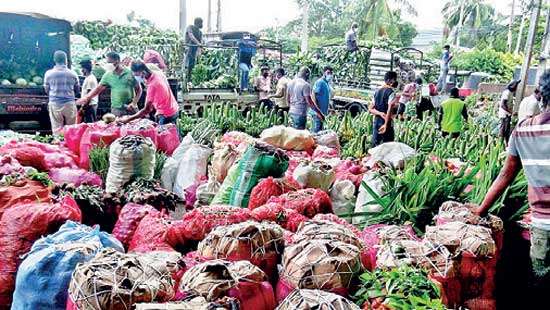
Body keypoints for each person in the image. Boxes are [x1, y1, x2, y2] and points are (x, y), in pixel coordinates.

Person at [475, 70, 550, 301]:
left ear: (539, 95)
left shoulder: (523, 130)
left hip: (542, 226)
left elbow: (505, 175)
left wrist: (480, 211)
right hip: (541, 223)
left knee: (540, 281)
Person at [78, 52, 142, 117]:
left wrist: (134, 103)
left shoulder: (130, 72)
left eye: (110, 62)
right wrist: (87, 97)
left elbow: (139, 90)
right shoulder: (107, 75)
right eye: (107, 63)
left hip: (131, 108)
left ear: (117, 61)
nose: (108, 65)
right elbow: (98, 89)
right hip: (116, 109)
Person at [118, 60, 179, 125]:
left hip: (165, 115)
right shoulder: (158, 73)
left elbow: (147, 110)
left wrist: (127, 120)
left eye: (136, 75)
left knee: (163, 134)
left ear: (143, 72)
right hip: (173, 109)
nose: (136, 78)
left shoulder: (152, 85)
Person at [44, 50, 80, 133]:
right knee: (72, 129)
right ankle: (70, 145)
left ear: (54, 60)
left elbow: (47, 90)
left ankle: (58, 144)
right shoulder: (73, 74)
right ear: (66, 60)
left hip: (55, 104)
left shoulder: (48, 74)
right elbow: (77, 90)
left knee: (57, 129)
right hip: (69, 104)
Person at [369, 71, 399, 147]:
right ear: (390, 80)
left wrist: (379, 113)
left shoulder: (377, 91)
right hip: (387, 121)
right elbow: (390, 108)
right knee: (388, 145)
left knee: (376, 144)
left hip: (376, 122)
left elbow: (370, 109)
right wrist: (385, 124)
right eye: (394, 79)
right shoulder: (391, 92)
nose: (395, 81)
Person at [310, 66, 333, 133]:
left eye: (331, 73)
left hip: (322, 113)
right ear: (324, 73)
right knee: (315, 132)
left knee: (319, 132)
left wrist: (330, 108)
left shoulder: (326, 83)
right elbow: (313, 95)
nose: (330, 75)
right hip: (317, 113)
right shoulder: (320, 82)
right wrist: (317, 111)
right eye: (328, 73)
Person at [498, 80, 520, 145]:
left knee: (506, 129)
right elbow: (503, 105)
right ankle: (500, 143)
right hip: (504, 114)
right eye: (516, 86)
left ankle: (505, 143)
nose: (516, 88)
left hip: (507, 114)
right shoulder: (507, 93)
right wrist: (511, 112)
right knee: (503, 129)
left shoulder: (510, 93)